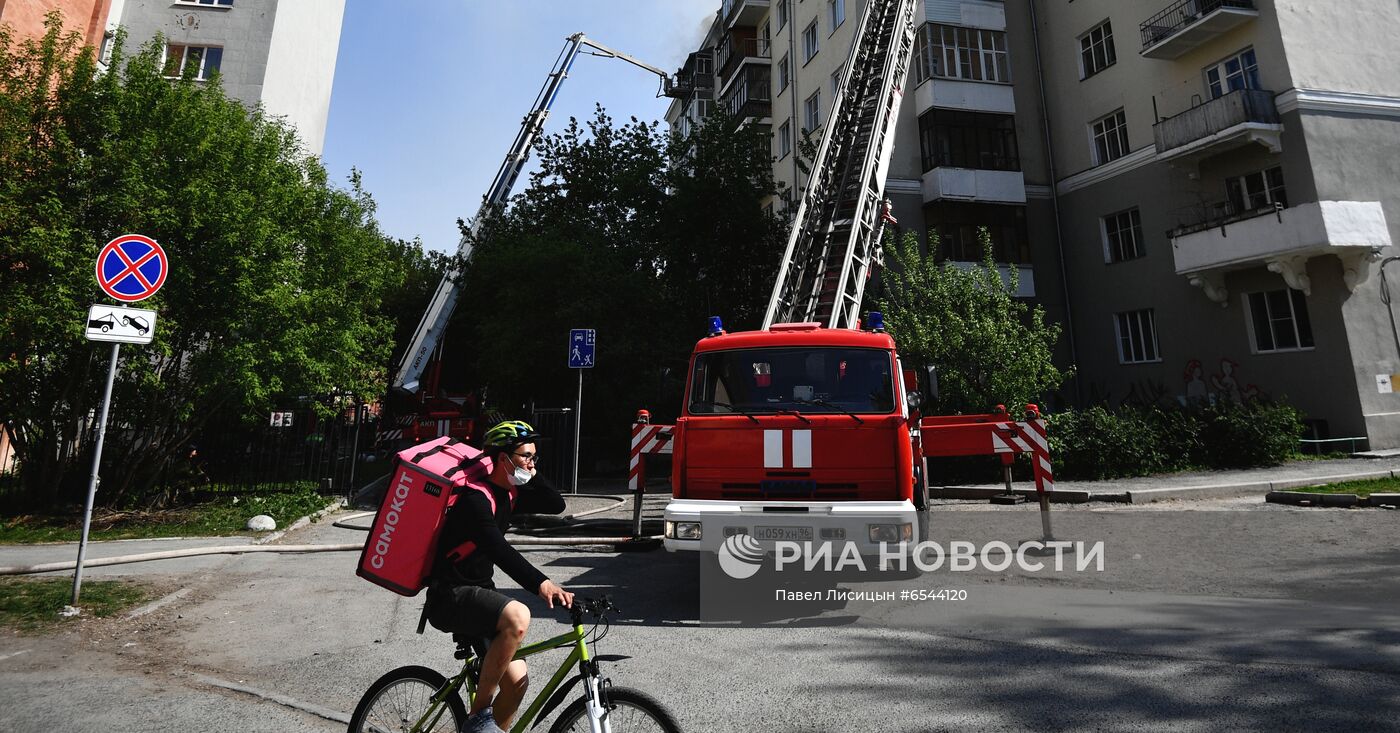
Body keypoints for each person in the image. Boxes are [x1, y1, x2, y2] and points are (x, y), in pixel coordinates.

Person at [425, 420, 573, 733]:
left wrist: (531, 472)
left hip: (479, 594)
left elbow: (555, 504)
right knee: (518, 616)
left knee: (518, 682)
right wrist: (541, 584)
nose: (532, 462)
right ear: (502, 458)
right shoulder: (476, 500)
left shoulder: (508, 494)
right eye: (525, 456)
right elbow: (499, 550)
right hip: (450, 595)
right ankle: (478, 717)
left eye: (535, 456)